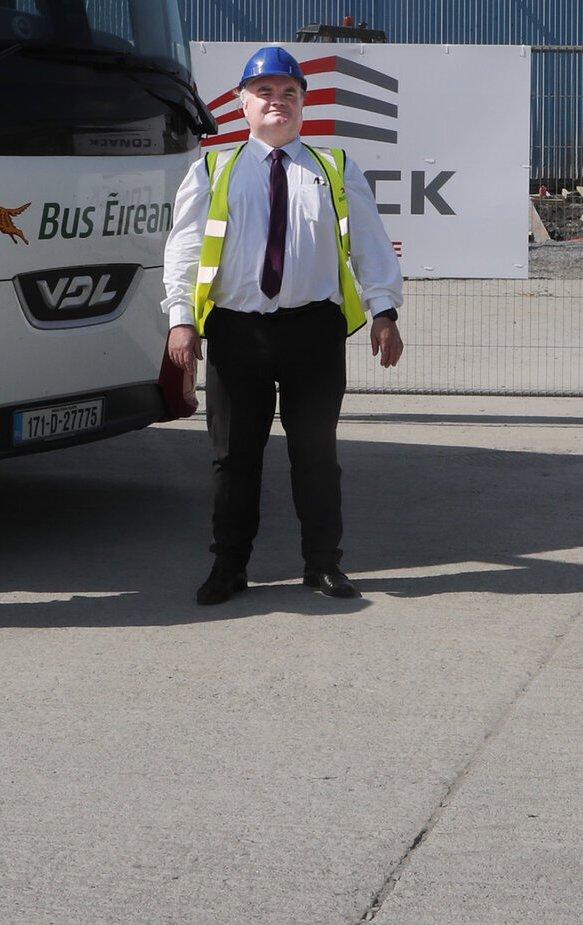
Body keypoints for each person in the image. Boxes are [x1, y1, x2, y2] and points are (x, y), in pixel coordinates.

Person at [163, 45, 405, 606]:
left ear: (304, 104)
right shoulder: (212, 167)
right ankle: (228, 568)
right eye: (265, 93)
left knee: (316, 453)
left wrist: (384, 310)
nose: (278, 103)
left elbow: (369, 245)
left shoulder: (334, 168)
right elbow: (183, 250)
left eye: (289, 94)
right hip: (236, 331)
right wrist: (181, 320)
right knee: (233, 458)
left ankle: (323, 565)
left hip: (313, 333)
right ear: (243, 105)